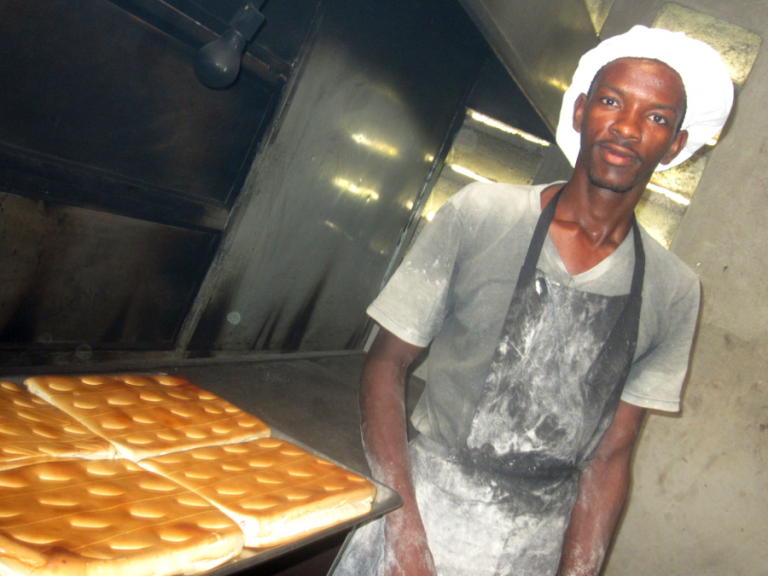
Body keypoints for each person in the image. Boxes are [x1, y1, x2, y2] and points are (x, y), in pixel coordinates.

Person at [333, 25, 733, 576]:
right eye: (611, 102)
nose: (627, 127)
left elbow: (611, 454)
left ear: (676, 145)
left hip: (535, 547)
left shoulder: (674, 290)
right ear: (580, 111)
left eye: (657, 117)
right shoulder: (482, 214)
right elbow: (385, 365)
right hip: (422, 507)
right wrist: (401, 533)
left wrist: (578, 571)